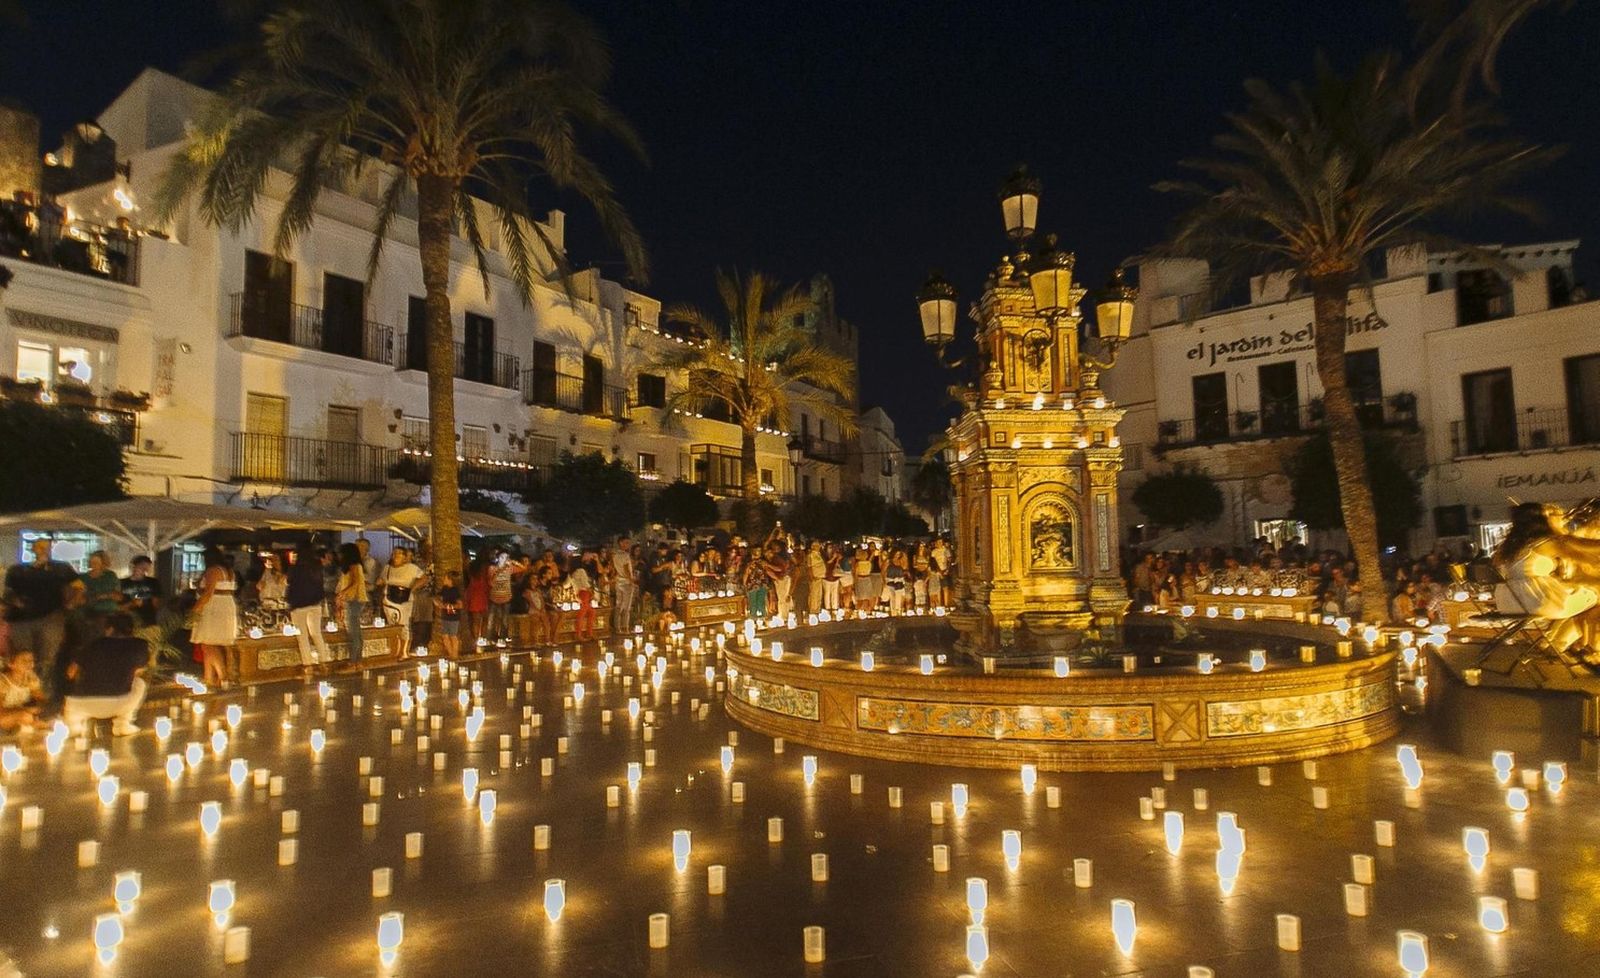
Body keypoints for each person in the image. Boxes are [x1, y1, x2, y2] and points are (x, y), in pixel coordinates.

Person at [4, 537, 78, 702]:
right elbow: (8, 592)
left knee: (46, 659)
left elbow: (79, 586)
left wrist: (71, 603)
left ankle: (42, 696)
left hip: (50, 617)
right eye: (39, 546)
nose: (43, 550)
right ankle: (22, 694)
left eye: (46, 547)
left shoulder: (61, 568)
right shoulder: (18, 570)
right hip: (21, 619)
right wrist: (16, 601)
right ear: (33, 549)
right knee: (23, 657)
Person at [62, 612, 147, 736]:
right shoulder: (139, 645)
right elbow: (139, 671)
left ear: (110, 629)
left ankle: (72, 727)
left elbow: (71, 672)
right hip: (118, 703)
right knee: (140, 683)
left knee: (72, 713)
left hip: (80, 703)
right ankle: (122, 724)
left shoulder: (93, 644)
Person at [190, 548, 239, 689]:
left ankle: (223, 677)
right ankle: (209, 678)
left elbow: (208, 593)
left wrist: (194, 610)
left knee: (208, 644)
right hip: (226, 606)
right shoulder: (229, 571)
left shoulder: (213, 571)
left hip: (214, 608)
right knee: (208, 644)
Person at [287, 544, 331, 679]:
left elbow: (290, 584)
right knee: (316, 633)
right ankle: (324, 664)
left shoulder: (296, 568)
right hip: (315, 605)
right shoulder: (317, 567)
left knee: (303, 636)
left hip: (299, 605)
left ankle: (308, 666)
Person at [379, 547, 425, 652]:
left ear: (404, 557)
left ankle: (404, 652)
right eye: (395, 553)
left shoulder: (412, 568)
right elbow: (382, 580)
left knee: (404, 625)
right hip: (389, 600)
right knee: (392, 625)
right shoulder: (387, 568)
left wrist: (412, 588)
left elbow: (424, 578)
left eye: (399, 553)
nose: (396, 555)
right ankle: (395, 650)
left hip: (404, 600)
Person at [335, 542, 367, 663]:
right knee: (356, 631)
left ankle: (353, 661)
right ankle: (358, 661)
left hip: (354, 600)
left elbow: (355, 582)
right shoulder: (355, 566)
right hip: (356, 599)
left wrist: (342, 593)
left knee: (353, 632)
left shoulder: (354, 566)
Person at [121, 555, 163, 642]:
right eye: (141, 567)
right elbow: (118, 602)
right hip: (127, 620)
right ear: (134, 566)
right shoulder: (122, 583)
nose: (143, 570)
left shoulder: (153, 582)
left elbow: (157, 602)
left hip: (147, 619)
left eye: (146, 568)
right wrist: (131, 604)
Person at [0, 649, 43, 731]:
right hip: (4, 717)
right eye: (24, 661)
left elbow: (40, 697)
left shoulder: (31, 678)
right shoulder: (3, 682)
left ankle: (26, 727)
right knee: (25, 717)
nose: (29, 664)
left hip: (21, 714)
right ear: (10, 664)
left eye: (31, 660)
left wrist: (44, 707)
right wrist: (25, 710)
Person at [82, 550, 122, 616]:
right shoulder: (84, 577)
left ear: (103, 563)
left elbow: (119, 596)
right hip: (92, 611)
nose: (93, 564)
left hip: (112, 610)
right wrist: (99, 597)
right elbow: (82, 597)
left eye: (96, 562)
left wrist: (106, 596)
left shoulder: (111, 575)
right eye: (91, 562)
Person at [487, 549, 514, 645]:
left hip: (506, 597)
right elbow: (491, 582)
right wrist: (501, 569)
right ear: (498, 558)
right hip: (494, 598)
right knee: (491, 619)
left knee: (505, 619)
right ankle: (490, 638)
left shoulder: (509, 568)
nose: (504, 559)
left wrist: (514, 562)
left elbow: (523, 568)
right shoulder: (492, 568)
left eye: (506, 557)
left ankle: (503, 638)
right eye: (502, 557)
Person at [464, 553, 491, 647]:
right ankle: (481, 638)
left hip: (475, 598)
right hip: (481, 598)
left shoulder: (472, 577)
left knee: (477, 620)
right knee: (482, 620)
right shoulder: (482, 577)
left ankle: (477, 639)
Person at [612, 538, 637, 635]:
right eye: (626, 543)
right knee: (627, 606)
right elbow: (626, 568)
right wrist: (631, 579)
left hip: (619, 580)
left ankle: (617, 627)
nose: (628, 545)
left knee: (619, 605)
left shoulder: (615, 555)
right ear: (621, 543)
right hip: (626, 582)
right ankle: (625, 627)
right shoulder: (625, 555)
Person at [569, 553, 596, 642]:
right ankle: (579, 634)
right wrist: (591, 592)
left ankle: (589, 633)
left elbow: (568, 584)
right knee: (582, 614)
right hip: (584, 593)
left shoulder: (572, 573)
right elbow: (585, 584)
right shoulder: (581, 571)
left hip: (578, 593)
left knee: (591, 612)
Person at [436, 571, 463, 658]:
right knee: (445, 636)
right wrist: (437, 601)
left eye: (445, 578)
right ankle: (451, 654)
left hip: (453, 617)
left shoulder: (455, 591)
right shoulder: (444, 589)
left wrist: (447, 606)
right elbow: (438, 596)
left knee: (453, 636)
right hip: (445, 616)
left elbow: (460, 605)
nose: (443, 579)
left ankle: (455, 655)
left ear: (450, 580)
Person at [805, 541, 826, 616]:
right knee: (814, 594)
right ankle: (813, 610)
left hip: (820, 577)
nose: (818, 547)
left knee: (819, 594)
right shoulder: (810, 555)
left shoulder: (819, 554)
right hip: (815, 577)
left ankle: (817, 609)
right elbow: (809, 567)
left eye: (819, 545)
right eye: (816, 546)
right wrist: (811, 577)